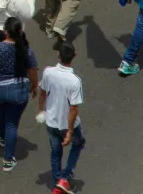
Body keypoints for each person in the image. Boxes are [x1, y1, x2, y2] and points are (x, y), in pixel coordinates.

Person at [0, 15, 37, 172]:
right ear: (20, 31)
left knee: (2, 112)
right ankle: (8, 160)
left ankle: (3, 136)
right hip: (18, 93)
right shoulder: (26, 50)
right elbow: (32, 72)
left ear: (5, 32)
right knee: (12, 122)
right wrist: (35, 86)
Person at [38, 42, 84, 192]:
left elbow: (43, 93)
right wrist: (70, 131)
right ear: (75, 55)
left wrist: (41, 111)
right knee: (78, 144)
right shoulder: (75, 81)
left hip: (51, 122)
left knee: (55, 151)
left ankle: (58, 181)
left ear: (58, 55)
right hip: (67, 125)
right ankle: (64, 178)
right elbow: (74, 108)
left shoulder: (48, 72)